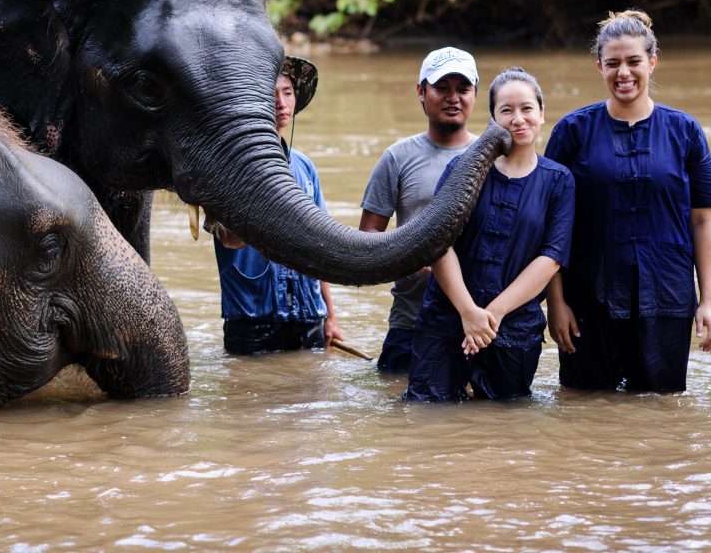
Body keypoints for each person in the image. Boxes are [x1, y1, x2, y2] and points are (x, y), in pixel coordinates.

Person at [545, 10, 711, 392]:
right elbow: (552, 223)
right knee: (584, 411)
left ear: (652, 62)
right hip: (587, 300)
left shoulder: (685, 132)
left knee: (658, 414)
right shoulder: (572, 132)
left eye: (634, 61)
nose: (624, 73)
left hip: (666, 299)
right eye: (613, 63)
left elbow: (702, 220)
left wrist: (707, 299)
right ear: (598, 65)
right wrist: (556, 302)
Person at [404, 68, 575, 401]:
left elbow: (551, 257)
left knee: (504, 431)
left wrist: (490, 316)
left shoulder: (559, 181)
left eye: (527, 108)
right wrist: (468, 313)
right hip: (447, 319)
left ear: (542, 113)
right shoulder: (463, 168)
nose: (518, 119)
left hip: (513, 327)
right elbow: (440, 243)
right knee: (428, 420)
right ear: (493, 120)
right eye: (506, 111)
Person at [209, 57, 343, 354]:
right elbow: (229, 240)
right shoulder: (227, 166)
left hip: (308, 312)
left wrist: (330, 317)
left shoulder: (305, 167)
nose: (281, 103)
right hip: (252, 316)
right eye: (271, 94)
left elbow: (319, 245)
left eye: (287, 92)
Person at [359, 47, 479, 372]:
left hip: (475, 320)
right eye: (442, 88)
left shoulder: (490, 159)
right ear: (421, 92)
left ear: (475, 95)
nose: (453, 97)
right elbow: (367, 237)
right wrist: (408, 256)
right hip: (411, 319)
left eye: (463, 89)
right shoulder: (397, 158)